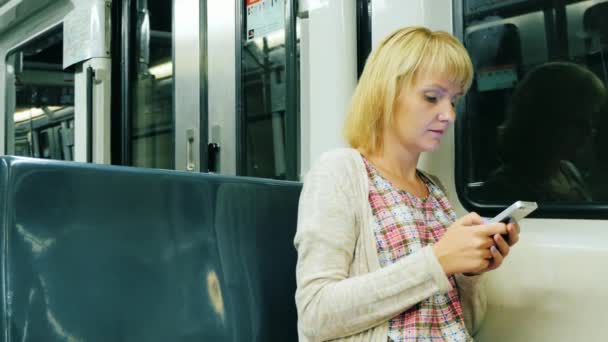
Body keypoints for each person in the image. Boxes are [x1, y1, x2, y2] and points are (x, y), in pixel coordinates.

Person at [294, 27, 520, 342]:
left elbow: (463, 325)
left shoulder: (436, 191)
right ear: (386, 92)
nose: (449, 115)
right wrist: (438, 261)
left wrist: (470, 273)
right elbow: (315, 315)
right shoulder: (340, 172)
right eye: (432, 97)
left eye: (453, 100)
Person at [480, 62, 606, 202]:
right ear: (546, 119)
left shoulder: (566, 171)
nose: (589, 130)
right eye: (578, 121)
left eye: (591, 118)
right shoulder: (507, 188)